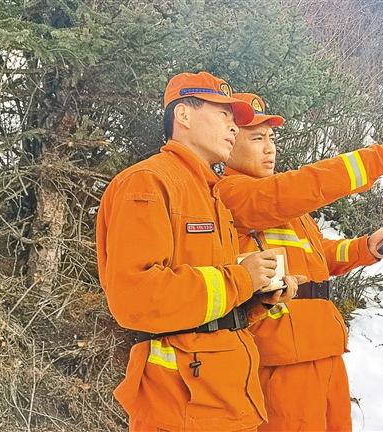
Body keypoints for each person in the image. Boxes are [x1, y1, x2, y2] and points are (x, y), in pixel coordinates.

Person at [215, 92, 383, 431]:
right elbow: (310, 184)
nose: (269, 149)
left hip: (323, 350)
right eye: (257, 139)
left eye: (272, 138)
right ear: (229, 142)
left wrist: (366, 248)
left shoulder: (280, 201)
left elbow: (318, 256)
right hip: (281, 360)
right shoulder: (232, 193)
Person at [96, 74, 297, 431]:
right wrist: (242, 279)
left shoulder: (210, 193)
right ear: (184, 115)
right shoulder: (148, 181)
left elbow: (209, 306)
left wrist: (255, 299)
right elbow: (136, 298)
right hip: (181, 406)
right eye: (223, 114)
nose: (233, 127)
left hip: (227, 400)